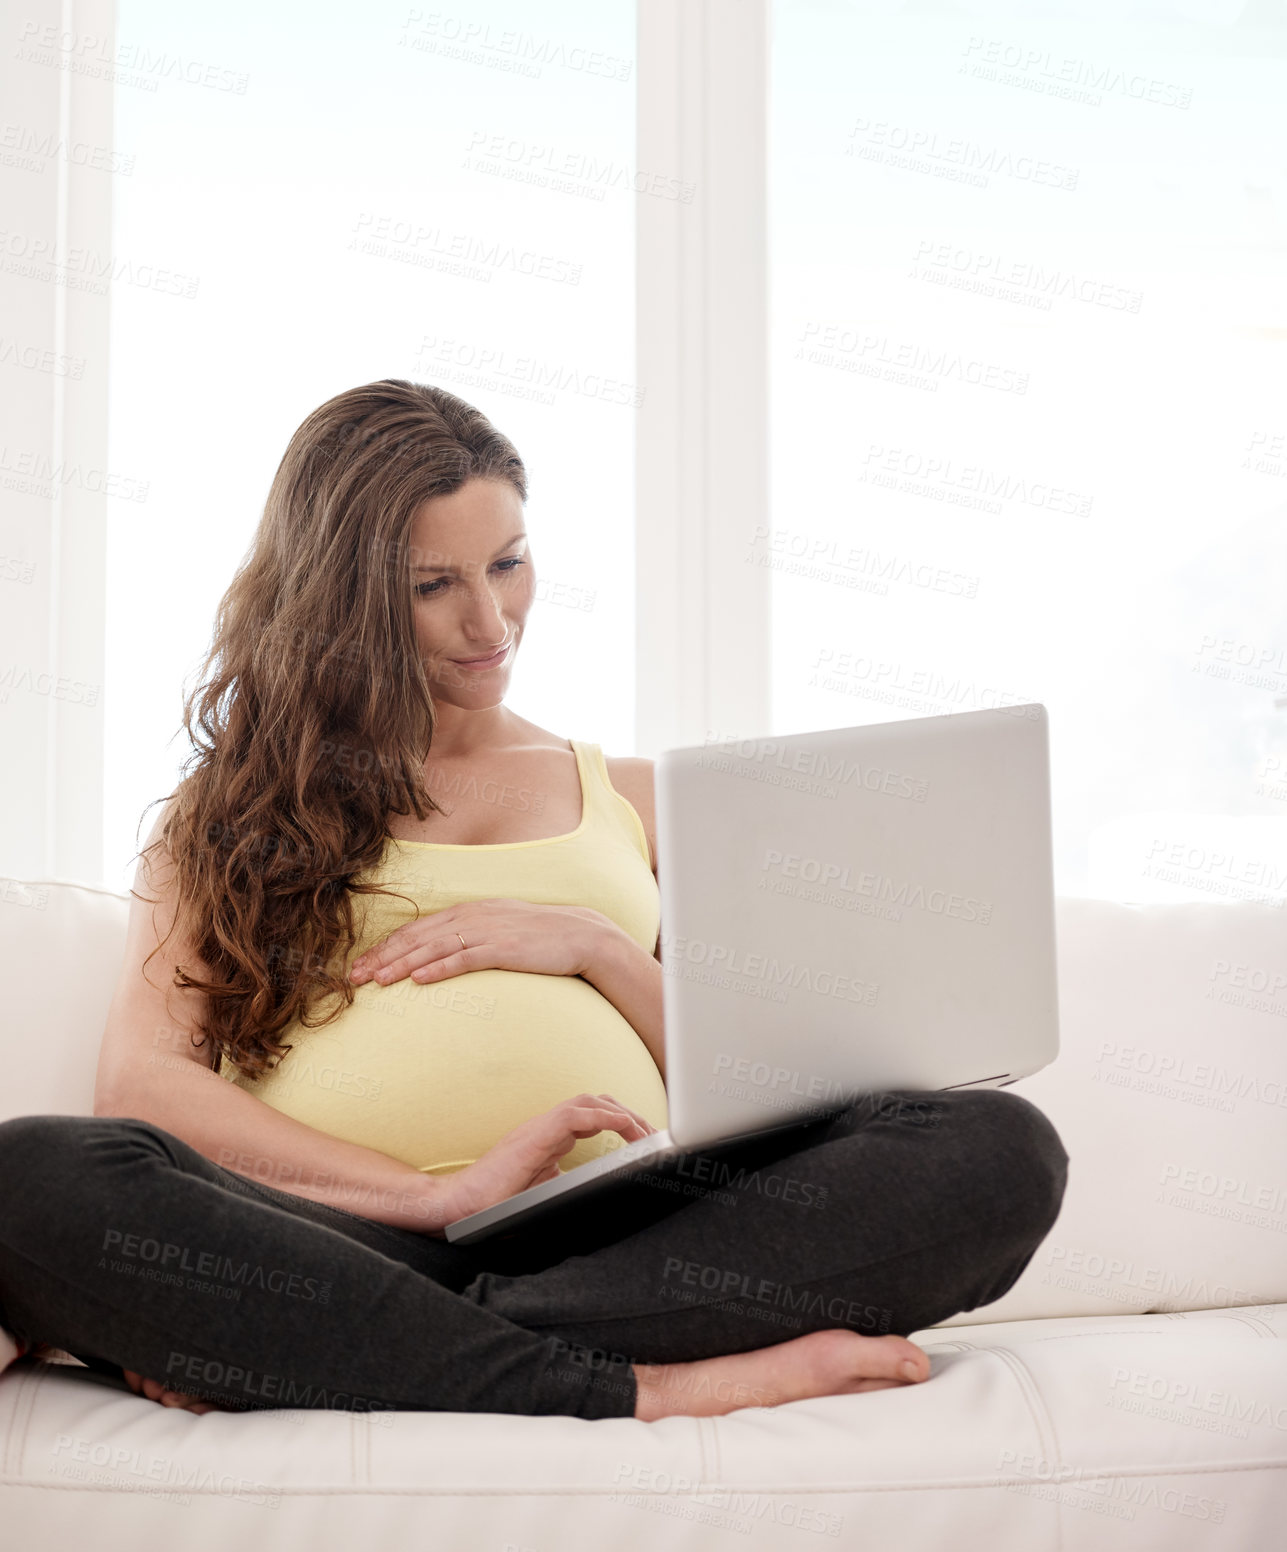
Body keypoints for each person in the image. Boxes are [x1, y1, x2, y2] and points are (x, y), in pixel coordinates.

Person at [0, 380, 1069, 1421]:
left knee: (999, 1151)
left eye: (508, 564)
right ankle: (646, 1382)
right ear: (341, 600)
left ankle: (361, 1344)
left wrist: (599, 946)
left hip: (632, 1238)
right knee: (29, 1179)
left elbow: (778, 1086)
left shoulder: (650, 799)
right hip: (336, 1234)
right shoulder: (223, 811)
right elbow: (143, 1082)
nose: (489, 620)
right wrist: (431, 1197)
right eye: (433, 587)